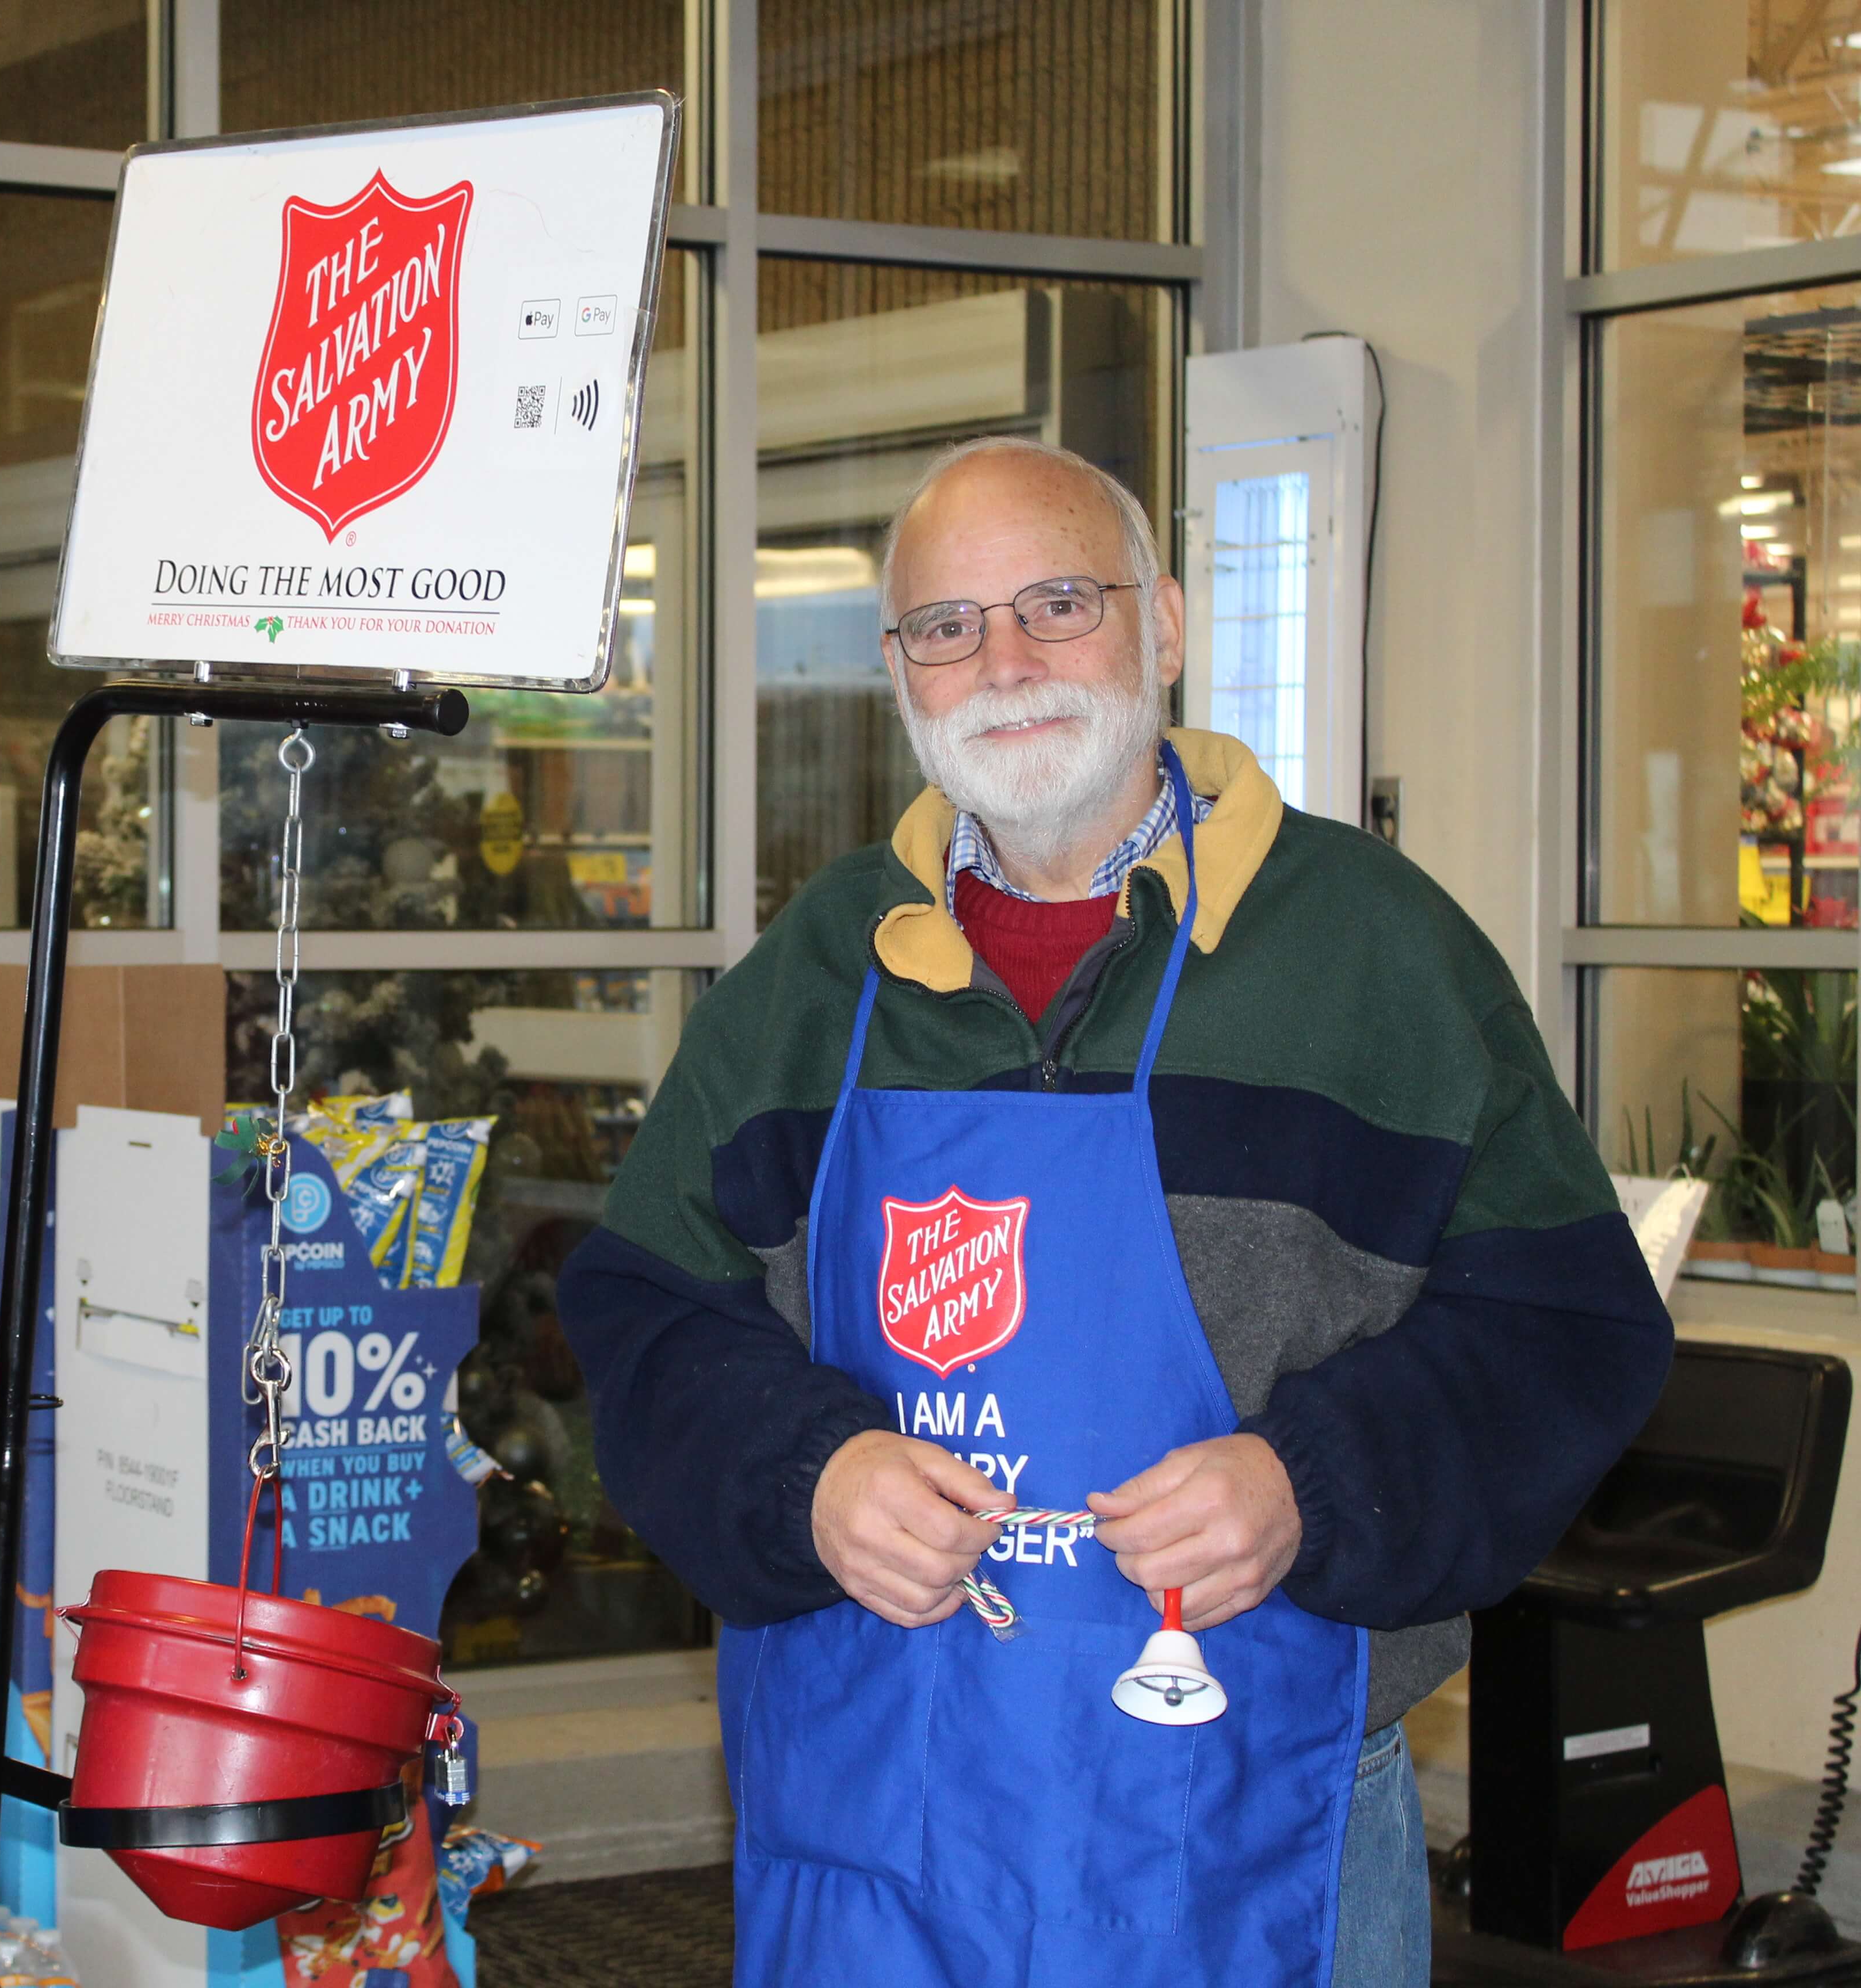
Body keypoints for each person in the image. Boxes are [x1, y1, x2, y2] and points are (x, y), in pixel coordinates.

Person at [560, 435, 1672, 1987]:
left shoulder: (1373, 960)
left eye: (1055, 604)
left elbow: (1567, 1331)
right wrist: (805, 1475)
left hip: (1257, 1822)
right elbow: (646, 1317)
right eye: (947, 627)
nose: (1001, 663)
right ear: (899, 672)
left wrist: (1313, 1487)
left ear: (1160, 623)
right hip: (887, 1816)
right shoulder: (820, 978)